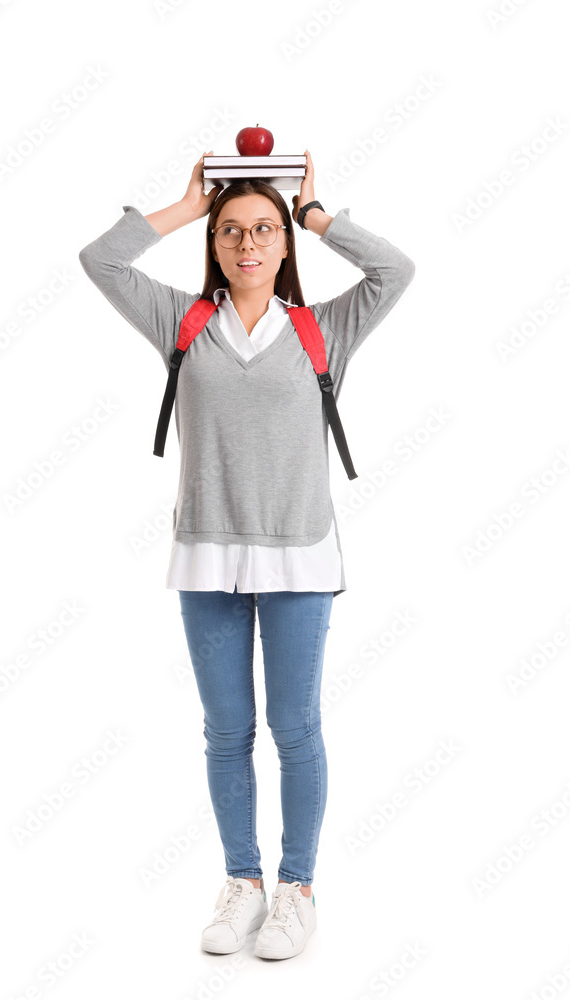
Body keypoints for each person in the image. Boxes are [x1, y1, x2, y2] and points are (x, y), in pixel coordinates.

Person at [79, 149, 415, 960]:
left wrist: (314, 214)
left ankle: (297, 888)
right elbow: (102, 259)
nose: (248, 244)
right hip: (207, 555)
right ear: (215, 243)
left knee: (294, 728)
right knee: (226, 731)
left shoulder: (321, 326)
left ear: (284, 242)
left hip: (299, 554)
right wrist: (186, 206)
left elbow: (394, 270)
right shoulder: (183, 324)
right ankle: (243, 881)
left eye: (263, 230)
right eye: (232, 232)